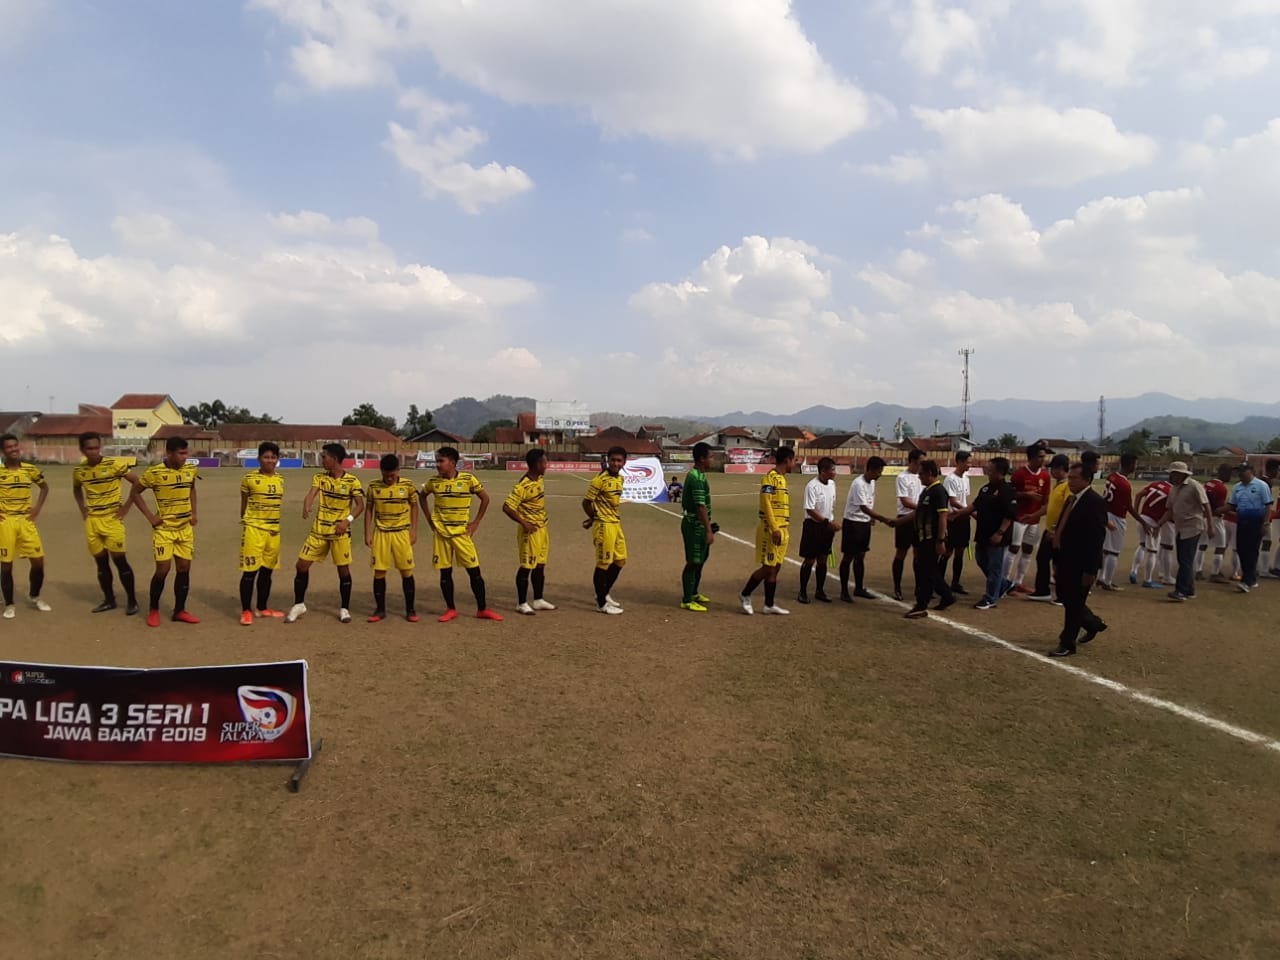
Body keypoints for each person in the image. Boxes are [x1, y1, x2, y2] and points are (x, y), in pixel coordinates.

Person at [286, 442, 364, 624]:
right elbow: (311, 494)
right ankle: (299, 604)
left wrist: (347, 521)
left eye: (324, 457)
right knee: (301, 566)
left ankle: (344, 608)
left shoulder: (352, 481)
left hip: (339, 532)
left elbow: (360, 506)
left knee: (343, 570)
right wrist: (307, 504)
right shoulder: (320, 477)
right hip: (319, 531)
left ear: (334, 459)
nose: (322, 459)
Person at [423, 446, 502, 622]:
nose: (437, 465)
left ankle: (482, 609)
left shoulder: (468, 479)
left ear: (452, 462)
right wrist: (430, 520)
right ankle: (451, 609)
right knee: (445, 573)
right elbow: (422, 496)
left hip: (461, 534)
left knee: (474, 572)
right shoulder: (434, 482)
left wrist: (475, 523)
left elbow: (485, 498)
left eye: (440, 461)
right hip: (442, 535)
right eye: (436, 461)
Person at [71, 430, 141, 615]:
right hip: (92, 521)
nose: (93, 451)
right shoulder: (79, 471)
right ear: (82, 450)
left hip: (112, 519)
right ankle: (109, 600)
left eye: (96, 447)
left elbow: (137, 482)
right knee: (101, 564)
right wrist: (82, 508)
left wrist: (126, 507)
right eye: (89, 448)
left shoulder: (114, 465)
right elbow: (77, 489)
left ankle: (132, 601)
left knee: (120, 561)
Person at [132, 437, 199, 627]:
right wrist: (150, 518)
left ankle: (179, 610)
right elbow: (135, 493)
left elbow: (192, 489)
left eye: (186, 453)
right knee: (163, 569)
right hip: (164, 530)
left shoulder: (190, 470)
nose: (185, 457)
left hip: (184, 529)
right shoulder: (154, 473)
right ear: (169, 453)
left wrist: (194, 512)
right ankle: (153, 609)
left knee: (184, 568)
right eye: (181, 453)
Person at [1047, 463, 1109, 657]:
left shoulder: (1094, 502)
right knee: (1065, 596)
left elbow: (1096, 539)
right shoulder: (1072, 499)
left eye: (1074, 478)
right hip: (1065, 557)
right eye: (1070, 477)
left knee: (1073, 602)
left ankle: (1067, 643)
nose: (1070, 481)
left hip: (1081, 562)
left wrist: (1091, 570)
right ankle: (1093, 623)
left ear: (1087, 480)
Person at [0, 433, 51, 619]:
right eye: (8, 447)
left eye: (15, 445)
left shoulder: (29, 469)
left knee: (38, 562)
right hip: (6, 522)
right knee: (6, 565)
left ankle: (35, 596)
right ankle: (9, 604)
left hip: (26, 521)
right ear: (3, 451)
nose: (13, 449)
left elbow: (44, 487)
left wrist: (37, 508)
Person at [740, 446, 796, 615]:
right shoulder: (770, 478)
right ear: (787, 460)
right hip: (771, 530)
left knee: (776, 567)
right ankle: (745, 594)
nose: (795, 464)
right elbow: (767, 503)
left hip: (783, 529)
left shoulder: (782, 479)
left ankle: (769, 605)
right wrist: (774, 528)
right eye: (794, 460)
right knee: (767, 568)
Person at [365, 453, 420, 622]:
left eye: (392, 475)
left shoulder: (408, 485)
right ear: (381, 471)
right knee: (379, 571)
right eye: (385, 475)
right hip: (381, 533)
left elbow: (414, 506)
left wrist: (414, 530)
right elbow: (369, 510)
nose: (389, 479)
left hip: (401, 533)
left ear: (398, 470)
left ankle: (410, 610)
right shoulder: (374, 487)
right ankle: (380, 610)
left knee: (406, 571)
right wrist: (367, 532)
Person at [238, 442, 286, 625]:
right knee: (250, 572)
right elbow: (243, 504)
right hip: (254, 530)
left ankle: (262, 607)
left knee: (267, 572)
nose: (270, 460)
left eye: (273, 457)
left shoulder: (280, 479)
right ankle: (246, 611)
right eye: (266, 457)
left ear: (277, 460)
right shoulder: (248, 479)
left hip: (273, 532)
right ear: (259, 459)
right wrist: (246, 520)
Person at [503, 448, 555, 616]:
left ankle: (538, 599)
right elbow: (507, 507)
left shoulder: (539, 479)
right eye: (545, 462)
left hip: (542, 529)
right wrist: (524, 523)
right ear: (537, 464)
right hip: (530, 532)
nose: (547, 465)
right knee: (526, 567)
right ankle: (522, 603)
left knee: (540, 565)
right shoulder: (523, 486)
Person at [902, 459, 953, 619]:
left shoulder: (938, 491)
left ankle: (921, 605)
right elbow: (918, 513)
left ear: (930, 473)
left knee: (926, 572)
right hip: (923, 537)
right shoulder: (926, 491)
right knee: (928, 570)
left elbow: (943, 516)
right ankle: (947, 596)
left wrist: (940, 541)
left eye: (921, 474)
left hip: (932, 539)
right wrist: (897, 522)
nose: (919, 477)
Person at [838, 456, 891, 602]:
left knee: (861, 555)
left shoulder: (872, 483)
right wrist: (882, 518)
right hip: (853, 523)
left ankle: (859, 588)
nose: (880, 474)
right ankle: (843, 591)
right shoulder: (858, 484)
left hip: (864, 523)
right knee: (848, 556)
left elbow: (868, 504)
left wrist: (871, 517)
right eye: (878, 471)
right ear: (870, 470)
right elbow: (862, 507)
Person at [583, 445, 628, 615]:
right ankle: (601, 603)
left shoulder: (620, 479)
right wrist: (594, 518)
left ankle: (602, 592)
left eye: (619, 460)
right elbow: (586, 502)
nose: (615, 463)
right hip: (603, 525)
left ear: (624, 462)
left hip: (615, 524)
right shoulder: (599, 480)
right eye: (612, 460)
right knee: (603, 563)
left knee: (620, 560)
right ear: (607, 461)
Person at [1159, 461, 1213, 602]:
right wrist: (1159, 524)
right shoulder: (1173, 489)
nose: (1170, 476)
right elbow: (1170, 510)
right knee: (1184, 559)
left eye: (1173, 474)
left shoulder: (1194, 486)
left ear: (1181, 474)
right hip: (1180, 527)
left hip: (1193, 526)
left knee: (1185, 560)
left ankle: (1181, 590)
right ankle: (1189, 590)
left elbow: (1206, 506)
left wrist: (1210, 526)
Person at [971, 457, 1017, 610]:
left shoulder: (1007, 490)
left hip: (997, 535)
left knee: (994, 566)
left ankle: (990, 598)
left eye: (990, 469)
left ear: (999, 472)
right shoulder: (985, 488)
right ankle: (1004, 584)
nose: (987, 471)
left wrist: (1000, 532)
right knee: (981, 560)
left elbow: (1010, 515)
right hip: (983, 533)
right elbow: (974, 505)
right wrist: (957, 514)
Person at [1005, 443, 1050, 594]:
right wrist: (1026, 494)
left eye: (1044, 457)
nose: (1043, 460)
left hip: (1034, 519)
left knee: (1028, 550)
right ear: (1031, 458)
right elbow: (1010, 494)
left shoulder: (1045, 475)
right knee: (1014, 548)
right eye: (1040, 457)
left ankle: (1019, 582)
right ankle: (1004, 582)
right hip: (1019, 517)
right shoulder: (1019, 474)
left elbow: (1046, 498)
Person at [1028, 454, 1071, 602]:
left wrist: (1055, 530)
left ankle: (1062, 594)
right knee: (1044, 558)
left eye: (1052, 468)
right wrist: (1034, 515)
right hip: (1051, 529)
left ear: (1060, 469)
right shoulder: (1058, 485)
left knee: (1060, 563)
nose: (1050, 472)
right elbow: (1049, 507)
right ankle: (1042, 590)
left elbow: (1067, 509)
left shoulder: (1067, 486)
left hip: (1059, 531)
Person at [677, 442, 715, 612]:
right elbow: (700, 506)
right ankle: (686, 599)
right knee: (693, 561)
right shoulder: (696, 478)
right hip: (694, 525)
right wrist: (708, 530)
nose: (712, 460)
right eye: (711, 457)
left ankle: (694, 593)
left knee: (701, 560)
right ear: (702, 458)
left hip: (699, 524)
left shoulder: (699, 475)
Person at [797, 457, 839, 604]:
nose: (835, 472)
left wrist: (831, 522)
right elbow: (810, 509)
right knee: (809, 560)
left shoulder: (832, 484)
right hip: (813, 526)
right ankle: (802, 592)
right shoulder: (812, 486)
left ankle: (820, 590)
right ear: (823, 471)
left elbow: (830, 506)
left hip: (827, 527)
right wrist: (827, 522)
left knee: (823, 560)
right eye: (832, 470)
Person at [1226, 462, 1273, 593]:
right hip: (1242, 521)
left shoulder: (1261, 486)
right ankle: (1250, 578)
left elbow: (1268, 505)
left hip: (1256, 522)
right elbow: (1231, 505)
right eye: (1238, 471)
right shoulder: (1237, 487)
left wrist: (1266, 523)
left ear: (1251, 471)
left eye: (1243, 471)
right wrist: (1217, 510)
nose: (1240, 474)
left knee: (1251, 551)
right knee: (1241, 549)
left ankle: (1247, 580)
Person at [1098, 453, 1142, 591]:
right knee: (1114, 552)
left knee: (1105, 549)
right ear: (1130, 465)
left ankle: (1100, 577)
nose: (1136, 467)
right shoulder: (1124, 484)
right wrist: (1143, 522)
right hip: (1116, 517)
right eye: (1135, 464)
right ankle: (1107, 581)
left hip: (1106, 513)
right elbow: (1129, 507)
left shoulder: (1112, 476)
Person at [890, 449, 923, 601]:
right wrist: (923, 508)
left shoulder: (923, 477)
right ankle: (897, 588)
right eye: (920, 463)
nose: (921, 466)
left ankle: (919, 587)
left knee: (919, 553)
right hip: (905, 519)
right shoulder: (902, 477)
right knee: (901, 553)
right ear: (912, 461)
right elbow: (905, 501)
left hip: (920, 519)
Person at [1130, 477, 1173, 588]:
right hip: (1153, 522)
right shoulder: (1172, 491)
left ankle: (1133, 570)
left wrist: (1136, 512)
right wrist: (1159, 525)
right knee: (1152, 551)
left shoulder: (1156, 484)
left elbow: (1139, 494)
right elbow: (1169, 511)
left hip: (1142, 518)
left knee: (1142, 545)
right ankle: (1147, 580)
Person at [941, 451, 973, 593]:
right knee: (947, 551)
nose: (970, 465)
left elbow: (965, 498)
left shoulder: (966, 478)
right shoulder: (950, 479)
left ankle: (956, 582)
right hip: (953, 518)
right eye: (968, 462)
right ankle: (939, 582)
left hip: (963, 519)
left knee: (960, 551)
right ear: (959, 462)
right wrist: (970, 510)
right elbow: (953, 501)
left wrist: (968, 511)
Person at [1200, 463, 1234, 582]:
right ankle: (1215, 574)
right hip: (1214, 518)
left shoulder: (1208, 483)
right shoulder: (1221, 488)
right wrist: (1233, 511)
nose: (1231, 476)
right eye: (1230, 473)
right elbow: (1218, 509)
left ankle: (1198, 571)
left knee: (1202, 545)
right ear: (1224, 473)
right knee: (1220, 546)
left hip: (1203, 517)